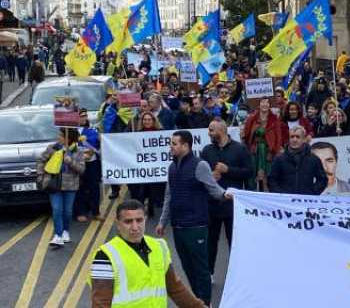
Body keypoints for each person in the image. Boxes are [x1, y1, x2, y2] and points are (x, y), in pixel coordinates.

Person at [156, 131, 230, 306]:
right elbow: (169, 196)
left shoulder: (200, 165)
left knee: (201, 270)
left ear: (186, 146)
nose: (171, 147)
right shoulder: (172, 167)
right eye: (171, 143)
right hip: (178, 227)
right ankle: (197, 301)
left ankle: (205, 303)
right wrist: (162, 222)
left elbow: (214, 189)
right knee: (188, 269)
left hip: (196, 227)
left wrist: (226, 195)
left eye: (174, 144)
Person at [90, 199, 207, 307]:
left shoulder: (159, 246)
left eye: (139, 220)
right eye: (128, 222)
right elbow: (101, 303)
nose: (135, 227)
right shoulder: (105, 256)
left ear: (145, 219)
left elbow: (175, 288)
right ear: (118, 223)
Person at [201, 119, 252, 284]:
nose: (209, 133)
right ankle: (209, 273)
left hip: (233, 205)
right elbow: (200, 174)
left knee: (235, 243)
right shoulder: (207, 150)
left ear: (221, 131)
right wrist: (210, 177)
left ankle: (238, 275)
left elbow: (248, 172)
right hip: (211, 204)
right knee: (210, 242)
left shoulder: (240, 149)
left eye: (211, 130)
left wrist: (228, 170)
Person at [37, 128, 86, 247]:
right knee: (57, 209)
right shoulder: (52, 148)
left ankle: (65, 231)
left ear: (68, 138)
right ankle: (58, 235)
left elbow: (81, 169)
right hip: (54, 184)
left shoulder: (78, 151)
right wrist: (40, 175)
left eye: (61, 135)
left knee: (68, 211)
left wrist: (70, 161)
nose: (58, 137)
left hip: (70, 185)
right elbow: (41, 160)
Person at [268, 126, 328, 194]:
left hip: (305, 202)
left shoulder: (313, 159)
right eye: (292, 137)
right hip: (285, 202)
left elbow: (323, 180)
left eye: (298, 137)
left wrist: (312, 193)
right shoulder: (279, 159)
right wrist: (280, 194)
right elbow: (271, 180)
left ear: (304, 139)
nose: (294, 140)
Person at [243, 98, 283, 191]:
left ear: (269, 105)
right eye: (263, 102)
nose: (265, 104)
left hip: (268, 150)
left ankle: (268, 194)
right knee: (252, 173)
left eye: (267, 102)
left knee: (268, 174)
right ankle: (252, 194)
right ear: (259, 105)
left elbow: (278, 137)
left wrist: (275, 152)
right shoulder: (251, 119)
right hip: (254, 150)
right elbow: (247, 134)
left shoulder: (274, 119)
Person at [129, 112, 164, 218]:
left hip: (155, 167)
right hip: (141, 166)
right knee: (140, 189)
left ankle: (151, 206)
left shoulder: (160, 133)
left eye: (149, 119)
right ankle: (141, 208)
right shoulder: (137, 133)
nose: (147, 121)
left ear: (153, 121)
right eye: (145, 119)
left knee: (153, 189)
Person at [75, 109, 103, 223]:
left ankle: (96, 212)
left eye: (85, 116)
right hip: (77, 162)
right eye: (80, 116)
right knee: (79, 187)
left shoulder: (93, 129)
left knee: (94, 187)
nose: (83, 118)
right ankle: (80, 212)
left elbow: (97, 144)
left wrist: (92, 151)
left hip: (92, 162)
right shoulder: (70, 130)